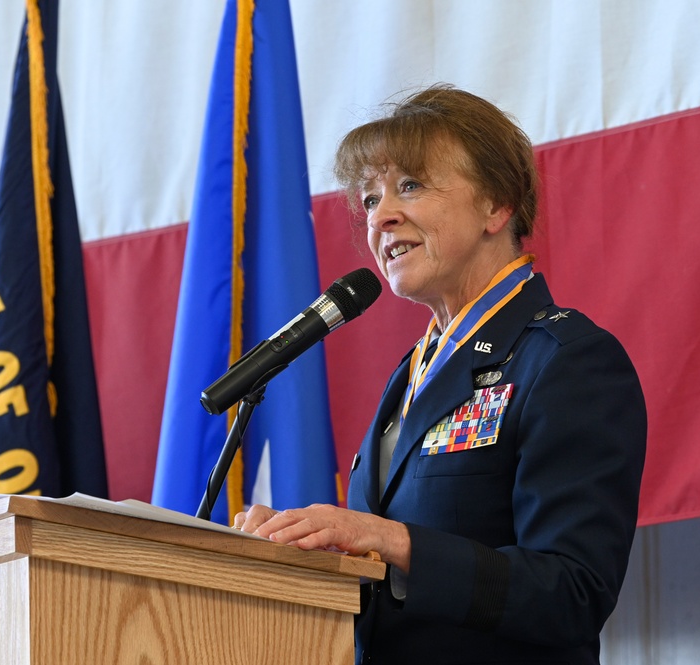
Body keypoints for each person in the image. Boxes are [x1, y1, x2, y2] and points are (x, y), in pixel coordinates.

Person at [234, 84, 647, 664]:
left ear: (497, 205)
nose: (382, 217)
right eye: (371, 197)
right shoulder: (414, 371)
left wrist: (388, 539)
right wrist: (304, 547)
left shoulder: (567, 360)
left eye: (410, 186)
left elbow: (572, 594)